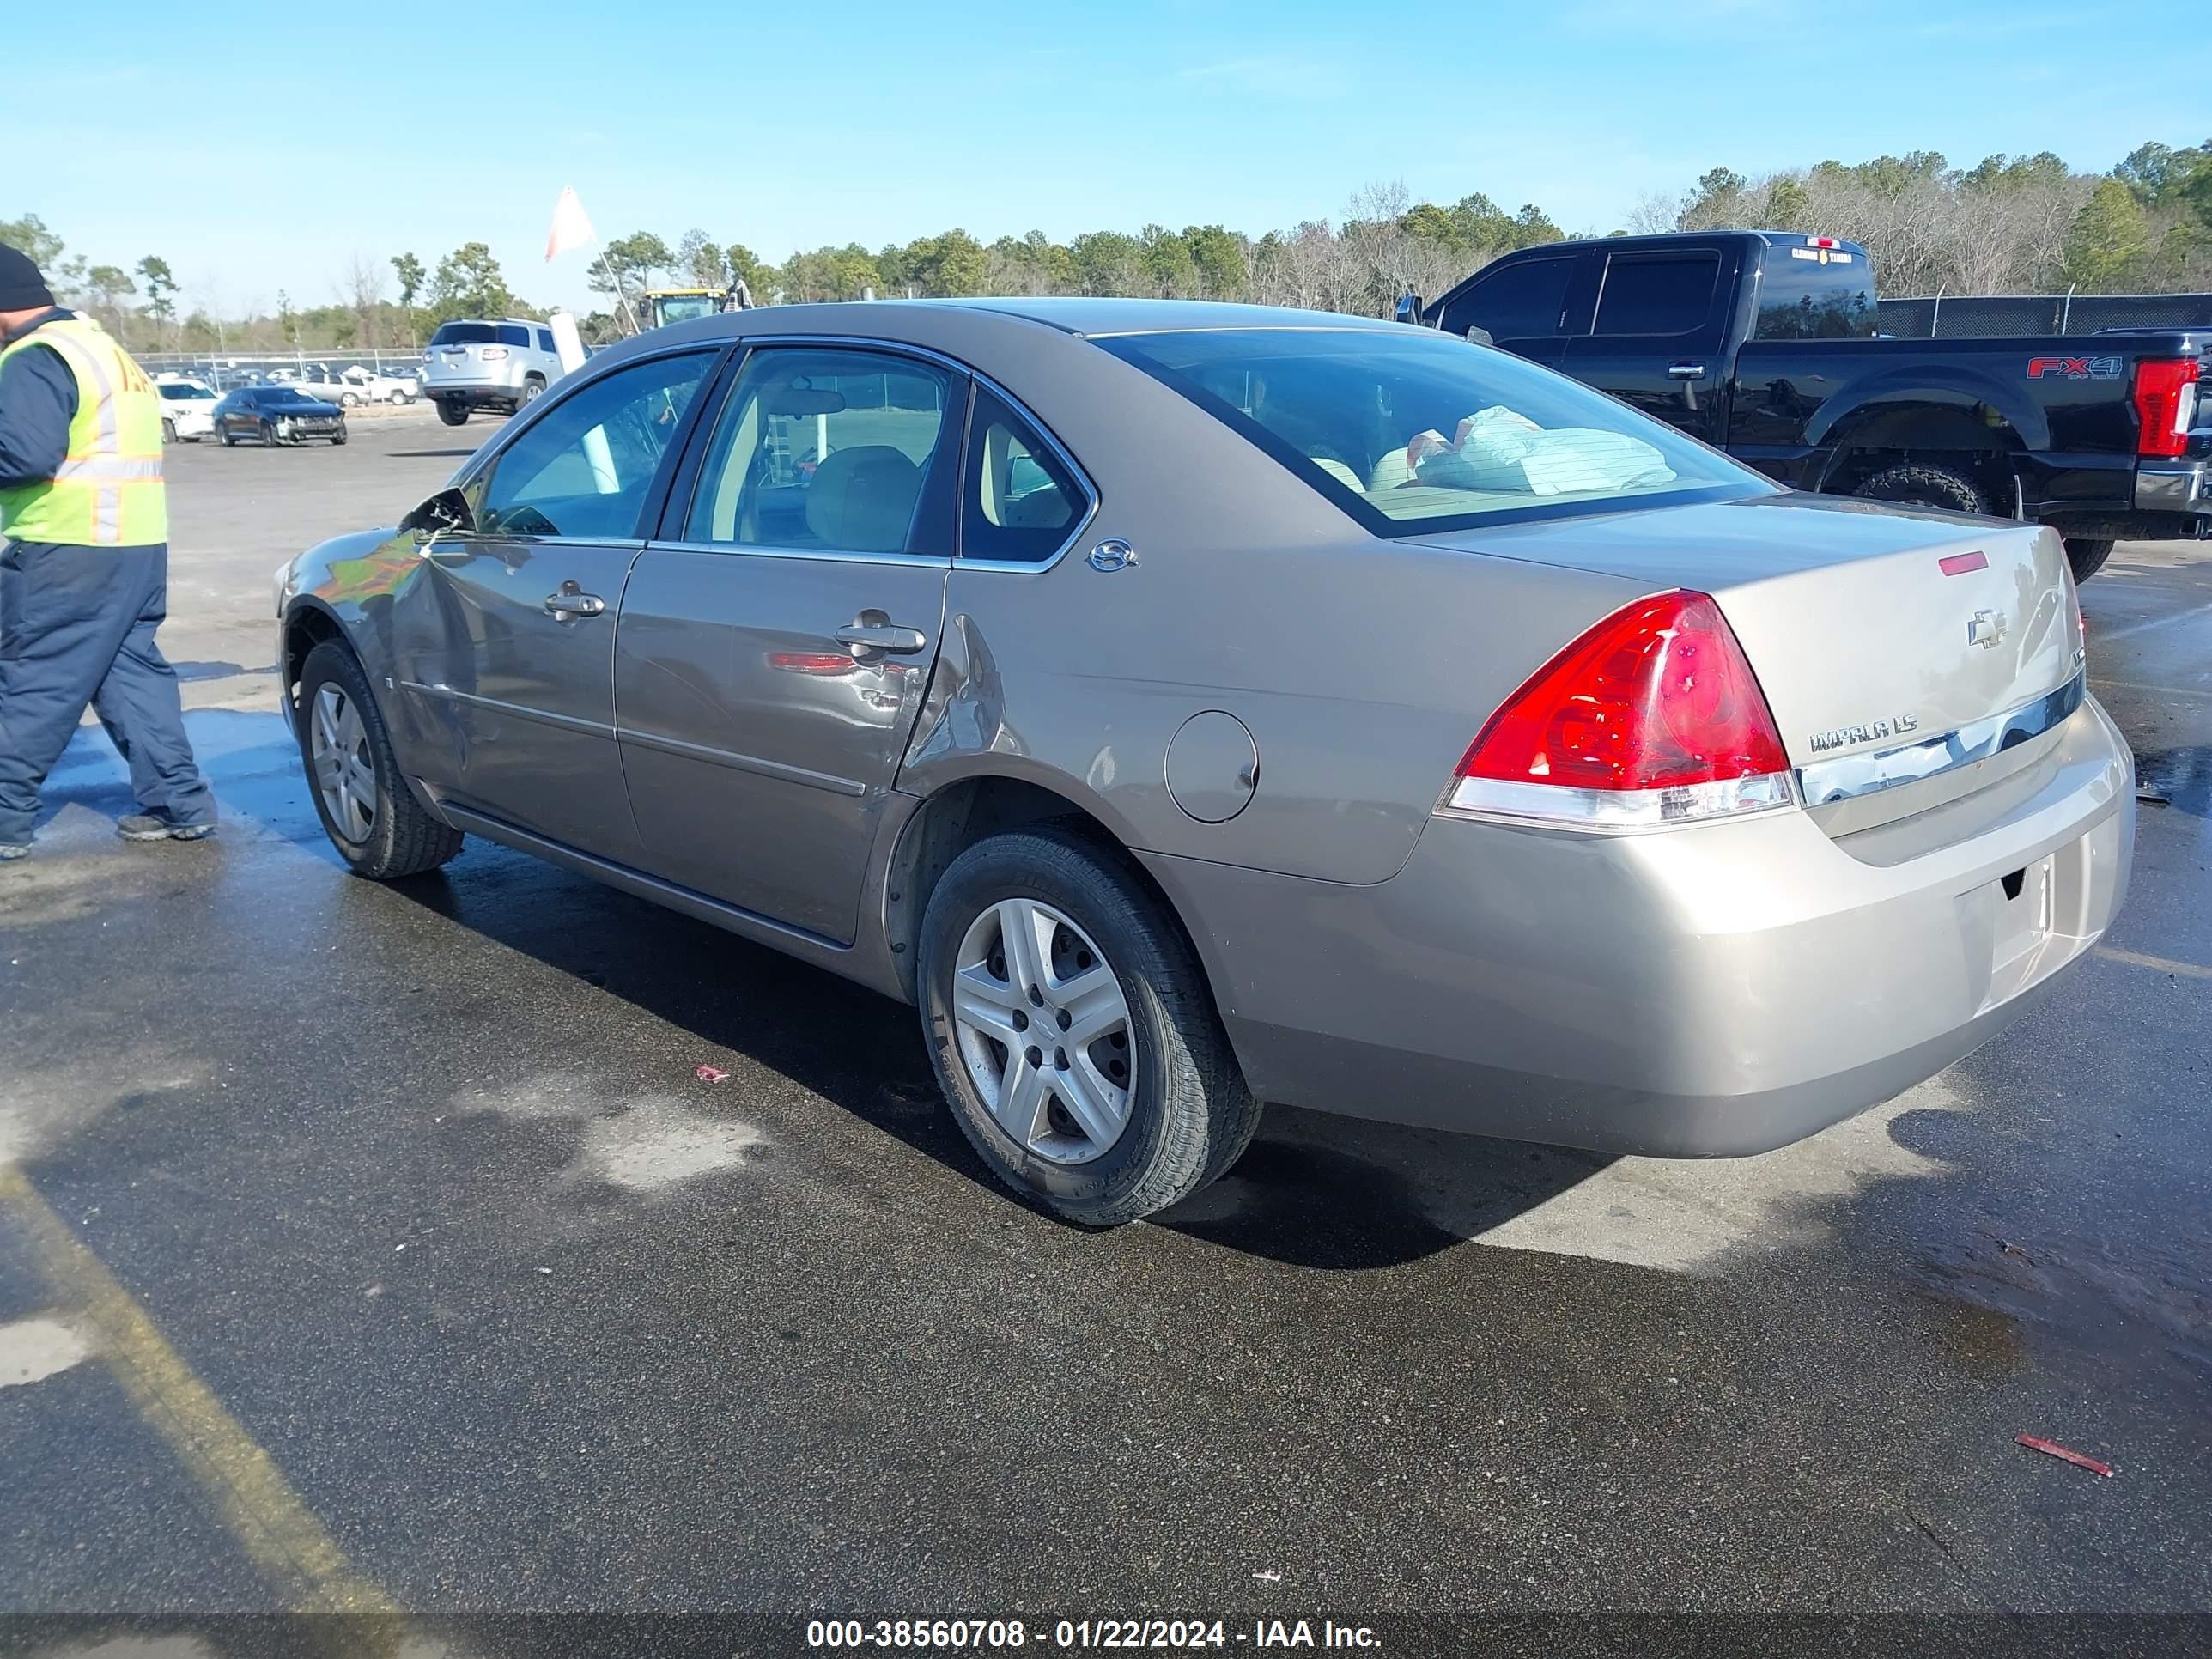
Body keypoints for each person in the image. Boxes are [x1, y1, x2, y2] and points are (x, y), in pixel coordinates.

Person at [0, 244, 214, 860]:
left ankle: (6, 818)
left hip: (68, 548)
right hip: (135, 545)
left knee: (36, 680)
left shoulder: (34, 358)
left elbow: (25, 455)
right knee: (131, 679)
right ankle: (181, 805)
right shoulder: (102, 349)